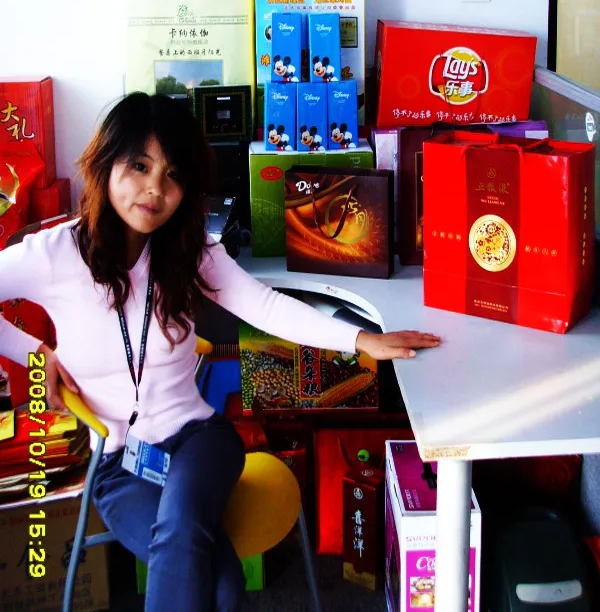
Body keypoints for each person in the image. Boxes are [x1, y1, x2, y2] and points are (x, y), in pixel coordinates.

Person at [0, 92, 440, 612]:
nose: (155, 188)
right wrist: (36, 354)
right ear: (105, 162)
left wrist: (363, 341)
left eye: (172, 175)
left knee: (182, 528)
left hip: (199, 441)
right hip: (119, 464)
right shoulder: (57, 255)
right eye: (139, 166)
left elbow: (264, 306)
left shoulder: (188, 251)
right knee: (221, 583)